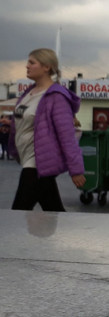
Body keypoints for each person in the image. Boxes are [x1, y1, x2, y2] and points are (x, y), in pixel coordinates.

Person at [7, 48, 85, 211]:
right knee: (54, 211)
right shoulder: (29, 94)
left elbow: (67, 136)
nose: (27, 66)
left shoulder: (56, 97)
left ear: (46, 67)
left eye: (32, 62)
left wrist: (76, 169)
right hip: (29, 160)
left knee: (17, 215)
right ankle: (72, 236)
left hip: (37, 163)